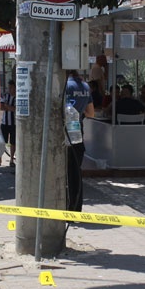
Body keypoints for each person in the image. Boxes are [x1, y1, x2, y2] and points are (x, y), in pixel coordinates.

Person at [65, 70, 94, 213]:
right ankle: (76, 208)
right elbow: (91, 113)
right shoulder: (85, 87)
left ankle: (66, 208)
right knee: (76, 171)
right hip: (77, 129)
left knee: (64, 172)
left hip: (64, 130)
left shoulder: (64, 85)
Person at [0, 80, 16, 167]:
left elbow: (15, 109)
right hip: (4, 123)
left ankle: (12, 159)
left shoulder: (17, 97)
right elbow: (1, 107)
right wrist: (10, 107)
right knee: (2, 142)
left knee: (13, 142)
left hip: (14, 123)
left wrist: (7, 106)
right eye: (9, 87)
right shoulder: (5, 95)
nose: (9, 89)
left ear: (14, 88)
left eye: (11, 87)